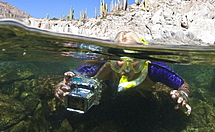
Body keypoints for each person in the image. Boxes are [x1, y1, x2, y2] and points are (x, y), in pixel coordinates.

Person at [55, 31, 192, 115]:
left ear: (142, 60)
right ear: (112, 60)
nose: (126, 70)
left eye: (133, 62)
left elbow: (182, 84)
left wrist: (183, 95)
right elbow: (70, 79)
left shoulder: (154, 68)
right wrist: (61, 87)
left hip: (145, 102)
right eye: (119, 62)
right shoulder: (103, 66)